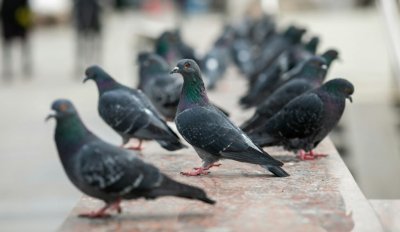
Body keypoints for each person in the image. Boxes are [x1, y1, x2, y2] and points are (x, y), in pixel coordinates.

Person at [0, 0, 33, 81]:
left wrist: (27, 21)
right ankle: (9, 67)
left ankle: (25, 65)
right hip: (9, 18)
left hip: (19, 16)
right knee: (9, 45)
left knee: (23, 43)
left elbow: (26, 9)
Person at [72, 0, 103, 76]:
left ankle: (93, 65)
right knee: (82, 44)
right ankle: (81, 65)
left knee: (92, 43)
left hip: (93, 13)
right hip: (82, 11)